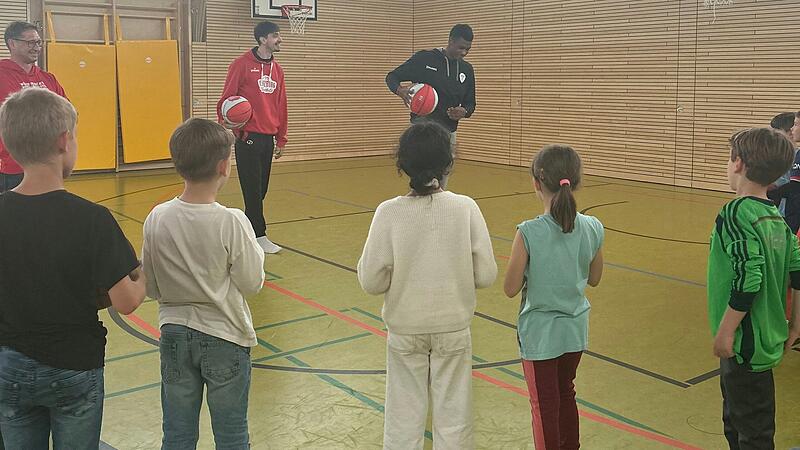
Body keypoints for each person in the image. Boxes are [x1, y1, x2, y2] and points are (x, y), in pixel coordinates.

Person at [0, 87, 145, 449]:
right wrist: (143, 275)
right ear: (65, 141)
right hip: (74, 366)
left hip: (9, 365)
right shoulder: (92, 219)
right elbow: (126, 302)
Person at [357, 122, 497, 449]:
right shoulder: (466, 208)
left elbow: (371, 281)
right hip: (453, 327)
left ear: (402, 165)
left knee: (403, 413)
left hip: (405, 328)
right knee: (455, 412)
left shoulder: (388, 213)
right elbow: (486, 275)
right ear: (449, 163)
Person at [142, 118, 266, 449]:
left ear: (177, 164)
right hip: (225, 334)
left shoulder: (157, 217)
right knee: (232, 434)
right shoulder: (232, 220)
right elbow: (252, 283)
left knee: (178, 433)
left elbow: (150, 286)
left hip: (174, 334)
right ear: (225, 166)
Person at [503, 144, 604, 450]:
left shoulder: (529, 232)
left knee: (544, 406)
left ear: (537, 182)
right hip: (574, 332)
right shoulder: (593, 226)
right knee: (565, 395)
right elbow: (595, 278)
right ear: (576, 181)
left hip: (541, 336)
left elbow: (509, 288)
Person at [707, 127, 800, 448]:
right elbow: (797, 270)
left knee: (753, 434)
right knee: (740, 420)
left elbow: (749, 278)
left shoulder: (736, 212)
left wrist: (725, 331)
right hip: (766, 336)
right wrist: (795, 325)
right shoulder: (775, 216)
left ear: (737, 163)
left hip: (744, 341)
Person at [218, 20, 288, 254]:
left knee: (261, 189)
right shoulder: (240, 64)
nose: (280, 40)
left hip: (268, 137)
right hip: (247, 136)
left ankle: (245, 232)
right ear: (262, 40)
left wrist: (281, 138)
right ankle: (259, 234)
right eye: (275, 36)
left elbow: (281, 105)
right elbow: (227, 98)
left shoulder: (277, 70)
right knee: (252, 189)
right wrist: (227, 123)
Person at [0, 21, 67, 192]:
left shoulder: (48, 78)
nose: (36, 47)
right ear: (12, 43)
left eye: (38, 42)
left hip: (49, 165)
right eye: (30, 42)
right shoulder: (2, 75)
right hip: (13, 167)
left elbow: (68, 113)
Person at [385, 24, 476, 143]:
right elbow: (392, 76)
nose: (464, 53)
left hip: (448, 134)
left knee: (446, 162)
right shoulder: (424, 58)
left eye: (467, 49)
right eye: (461, 48)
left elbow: (470, 103)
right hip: (420, 131)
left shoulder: (467, 69)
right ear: (451, 41)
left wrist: (464, 111)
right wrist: (400, 90)